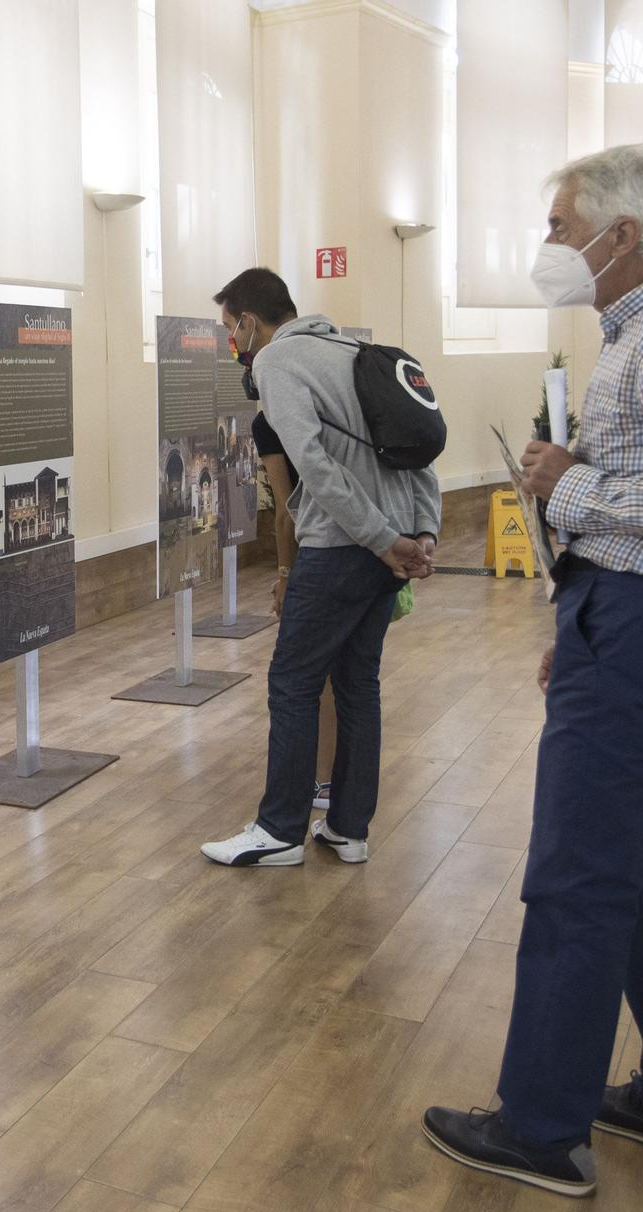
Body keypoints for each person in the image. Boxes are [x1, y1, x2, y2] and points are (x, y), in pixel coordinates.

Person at [423, 144, 643, 1197]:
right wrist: (582, 614)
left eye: (556, 224)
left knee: (579, 875)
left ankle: (540, 1125)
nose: (545, 245)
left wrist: (566, 488)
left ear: (619, 235)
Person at [199, 268, 439, 868]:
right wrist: (419, 532)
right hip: (389, 546)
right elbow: (417, 449)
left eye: (232, 329)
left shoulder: (278, 363)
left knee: (293, 682)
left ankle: (279, 829)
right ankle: (348, 828)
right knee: (359, 685)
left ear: (250, 321)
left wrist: (380, 539)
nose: (234, 343)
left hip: (339, 549)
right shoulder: (358, 351)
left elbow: (311, 463)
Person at [255, 411, 336, 812]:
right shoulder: (330, 400)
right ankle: (342, 783)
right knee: (353, 678)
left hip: (316, 551)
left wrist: (285, 575)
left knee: (306, 679)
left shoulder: (270, 421)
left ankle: (322, 783)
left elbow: (287, 510)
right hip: (362, 547)